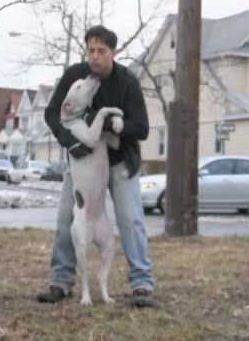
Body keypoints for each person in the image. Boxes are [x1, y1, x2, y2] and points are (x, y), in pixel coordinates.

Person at [37, 25, 156, 307]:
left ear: (114, 52)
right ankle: (61, 281)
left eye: (101, 51)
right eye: (91, 50)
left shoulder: (126, 81)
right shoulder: (75, 76)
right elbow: (53, 113)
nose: (95, 56)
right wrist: (69, 142)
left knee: (131, 219)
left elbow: (142, 128)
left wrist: (121, 125)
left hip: (119, 161)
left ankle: (141, 284)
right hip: (82, 161)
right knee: (67, 219)